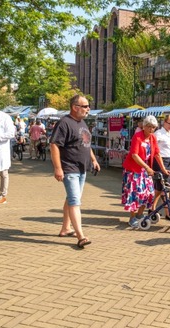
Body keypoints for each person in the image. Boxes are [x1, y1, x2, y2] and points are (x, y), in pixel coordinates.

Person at [50, 95, 99, 249]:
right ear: (75, 107)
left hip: (82, 168)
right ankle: (81, 236)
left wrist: (93, 159)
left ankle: (65, 228)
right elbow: (54, 145)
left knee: (72, 198)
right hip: (69, 167)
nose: (88, 109)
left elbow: (85, 143)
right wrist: (58, 168)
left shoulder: (82, 122)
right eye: (85, 106)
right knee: (75, 201)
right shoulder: (64, 123)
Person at [122, 115, 170, 228]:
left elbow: (157, 153)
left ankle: (139, 215)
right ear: (144, 126)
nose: (151, 129)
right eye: (149, 127)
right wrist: (147, 167)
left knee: (149, 193)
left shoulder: (152, 138)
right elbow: (134, 155)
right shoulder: (137, 137)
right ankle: (132, 218)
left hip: (145, 170)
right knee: (135, 194)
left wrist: (163, 169)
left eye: (153, 127)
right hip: (133, 170)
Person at [152, 114, 170, 220]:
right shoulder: (158, 134)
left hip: (168, 160)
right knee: (166, 187)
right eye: (169, 123)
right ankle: (167, 212)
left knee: (160, 188)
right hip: (160, 161)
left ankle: (152, 208)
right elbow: (154, 151)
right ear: (164, 122)